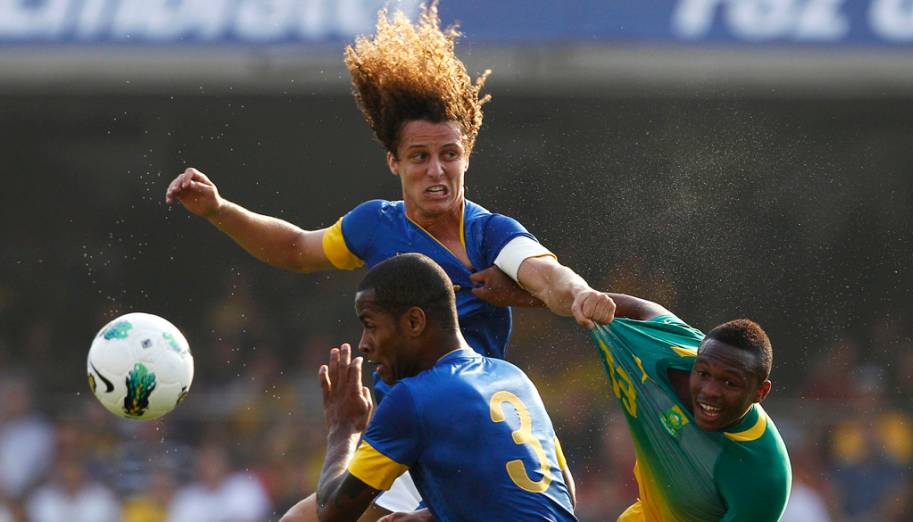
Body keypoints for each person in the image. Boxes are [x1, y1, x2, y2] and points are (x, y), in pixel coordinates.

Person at [165, 4, 613, 518]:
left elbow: (548, 276)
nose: (437, 170)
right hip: (403, 434)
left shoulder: (491, 234)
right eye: (420, 156)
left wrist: (578, 294)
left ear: (467, 154)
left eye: (449, 153)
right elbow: (295, 249)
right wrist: (220, 210)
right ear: (394, 161)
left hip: (463, 441)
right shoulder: (374, 224)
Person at [283, 253, 577, 522]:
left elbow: (332, 515)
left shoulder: (413, 397)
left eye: (370, 325)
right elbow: (563, 495)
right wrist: (430, 516)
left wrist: (342, 429)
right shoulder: (514, 377)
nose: (363, 344)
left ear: (414, 321)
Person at [591, 293, 791, 521]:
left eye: (730, 383)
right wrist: (579, 296)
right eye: (703, 374)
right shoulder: (678, 348)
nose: (710, 391)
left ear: (760, 393)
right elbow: (641, 309)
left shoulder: (763, 479)